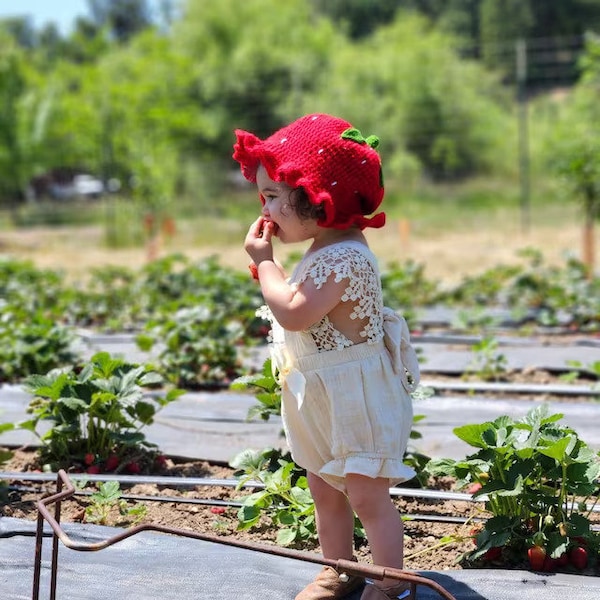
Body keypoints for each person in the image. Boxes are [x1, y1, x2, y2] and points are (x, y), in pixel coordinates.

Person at [233, 113, 420, 600]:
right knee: (324, 488)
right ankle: (338, 568)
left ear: (319, 199)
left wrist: (265, 262)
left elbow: (295, 313)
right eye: (264, 196)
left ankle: (390, 580)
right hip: (321, 393)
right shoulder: (324, 249)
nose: (265, 209)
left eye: (273, 196)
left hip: (355, 397)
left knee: (365, 493)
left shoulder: (346, 257)